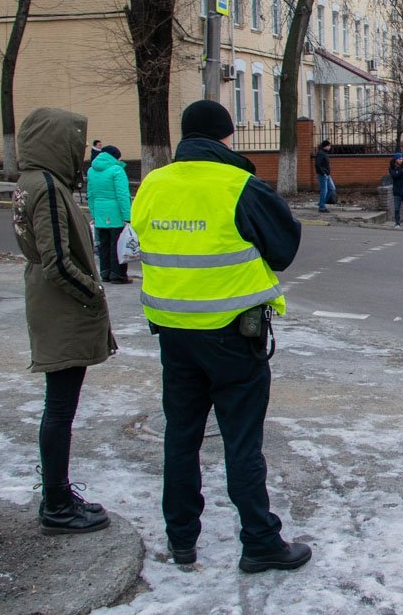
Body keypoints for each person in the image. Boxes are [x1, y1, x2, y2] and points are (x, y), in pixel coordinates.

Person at [131, 100, 309, 573]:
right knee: (241, 441)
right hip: (234, 337)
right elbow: (284, 247)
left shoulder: (151, 184)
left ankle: (181, 538)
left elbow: (139, 242)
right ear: (226, 138)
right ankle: (259, 540)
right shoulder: (240, 185)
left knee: (181, 437)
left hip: (174, 334)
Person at [13, 107, 117, 535]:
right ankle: (56, 502)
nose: (81, 152)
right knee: (59, 408)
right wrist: (92, 293)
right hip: (63, 308)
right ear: (58, 143)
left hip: (46, 301)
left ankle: (56, 495)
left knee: (58, 407)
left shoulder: (31, 182)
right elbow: (57, 259)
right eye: (75, 143)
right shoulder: (49, 188)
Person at [86, 145, 132, 284]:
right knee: (117, 244)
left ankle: (105, 273)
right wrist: (127, 216)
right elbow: (123, 195)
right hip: (115, 213)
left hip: (99, 213)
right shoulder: (117, 170)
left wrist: (93, 213)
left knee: (104, 245)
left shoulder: (91, 171)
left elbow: (90, 194)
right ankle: (118, 275)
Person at [315, 139, 334, 213]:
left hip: (327, 175)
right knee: (324, 191)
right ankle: (322, 207)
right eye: (329, 146)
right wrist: (323, 173)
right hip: (323, 175)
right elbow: (317, 165)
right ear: (325, 146)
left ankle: (321, 203)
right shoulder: (321, 153)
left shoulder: (324, 153)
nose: (330, 147)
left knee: (332, 189)